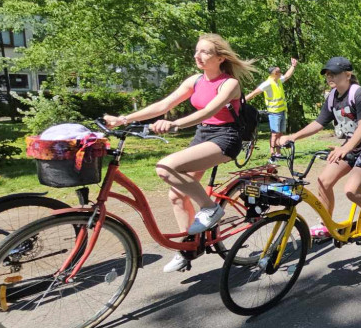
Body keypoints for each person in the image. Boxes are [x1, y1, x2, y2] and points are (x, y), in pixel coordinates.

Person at [104, 34, 256, 272]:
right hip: (202, 135)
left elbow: (208, 111)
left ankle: (210, 208)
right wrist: (124, 119)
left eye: (205, 52)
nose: (198, 56)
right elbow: (163, 105)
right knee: (176, 196)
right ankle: (189, 248)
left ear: (220, 58)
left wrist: (176, 124)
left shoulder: (230, 84)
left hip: (225, 138)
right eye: (197, 51)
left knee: (165, 167)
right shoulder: (195, 80)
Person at [279, 57, 361, 246]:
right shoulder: (332, 97)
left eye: (334, 73)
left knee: (351, 190)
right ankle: (327, 225)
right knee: (323, 181)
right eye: (327, 74)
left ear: (347, 75)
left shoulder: (360, 95)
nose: (329, 77)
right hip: (351, 145)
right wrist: (293, 136)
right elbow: (318, 123)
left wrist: (345, 148)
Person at [246, 57, 298, 155]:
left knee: (280, 133)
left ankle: (278, 152)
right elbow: (254, 93)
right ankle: (272, 153)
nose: (281, 72)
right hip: (274, 113)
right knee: (274, 133)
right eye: (279, 71)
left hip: (282, 111)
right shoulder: (267, 84)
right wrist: (241, 101)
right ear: (274, 73)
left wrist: (293, 66)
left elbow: (287, 76)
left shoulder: (278, 80)